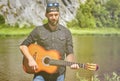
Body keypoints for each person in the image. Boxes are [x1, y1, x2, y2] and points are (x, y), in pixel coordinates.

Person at [19, 2, 79, 81]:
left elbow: (69, 52)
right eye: (51, 15)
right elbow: (23, 46)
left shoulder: (66, 32)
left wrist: (72, 63)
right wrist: (30, 59)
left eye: (56, 14)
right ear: (46, 15)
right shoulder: (38, 30)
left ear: (59, 14)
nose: (54, 17)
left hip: (59, 74)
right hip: (40, 73)